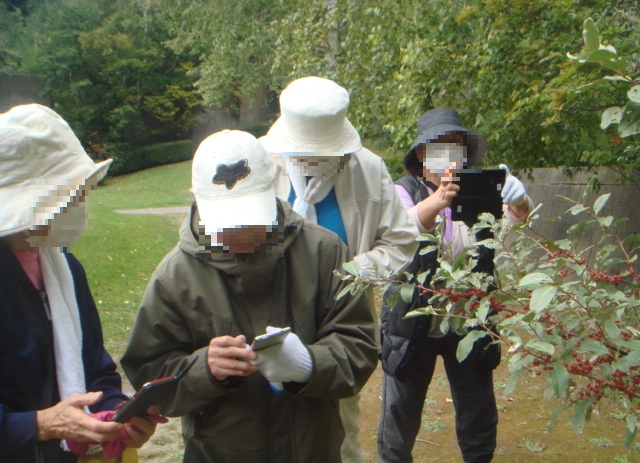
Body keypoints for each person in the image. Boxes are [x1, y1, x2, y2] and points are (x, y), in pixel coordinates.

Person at [120, 129, 378, 463]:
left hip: (314, 448)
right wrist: (203, 369)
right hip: (219, 453)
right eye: (227, 226)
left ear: (273, 187)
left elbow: (359, 346)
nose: (242, 235)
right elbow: (149, 377)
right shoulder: (174, 277)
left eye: (252, 220)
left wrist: (306, 364)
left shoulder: (325, 251)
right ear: (196, 198)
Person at [260, 75, 420, 463]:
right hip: (264, 318)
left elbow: (401, 240)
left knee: (338, 433)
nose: (314, 160)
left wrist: (351, 272)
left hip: (340, 325)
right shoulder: (257, 164)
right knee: (262, 430)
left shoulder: (368, 168)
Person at [0, 104, 162, 462]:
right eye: (70, 196)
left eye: (81, 192)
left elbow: (97, 368)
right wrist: (43, 424)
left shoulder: (66, 269)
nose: (80, 205)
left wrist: (119, 412)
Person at [377, 108, 533, 463]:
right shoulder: (403, 191)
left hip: (469, 319)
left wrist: (519, 199)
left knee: (478, 412)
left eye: (456, 144)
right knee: (400, 414)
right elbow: (402, 231)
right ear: (421, 153)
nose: (450, 151)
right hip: (413, 317)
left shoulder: (481, 192)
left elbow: (516, 229)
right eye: (440, 144)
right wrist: (439, 198)